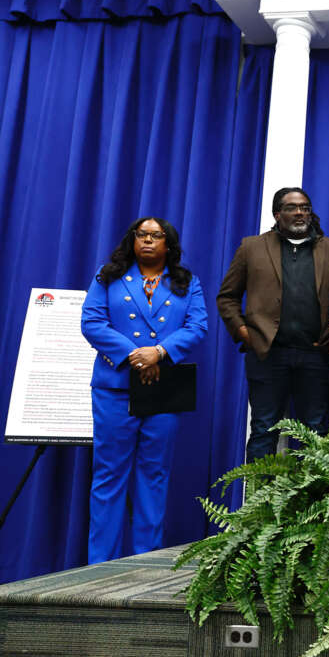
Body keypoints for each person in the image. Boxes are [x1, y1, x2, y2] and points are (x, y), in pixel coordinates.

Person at [81, 217, 208, 564]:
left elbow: (198, 326)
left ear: (169, 244)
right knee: (109, 475)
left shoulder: (186, 282)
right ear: (132, 240)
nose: (148, 241)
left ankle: (144, 565)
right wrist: (134, 355)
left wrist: (160, 352)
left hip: (163, 389)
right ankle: (100, 566)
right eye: (142, 235)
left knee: (154, 476)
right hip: (115, 387)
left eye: (157, 236)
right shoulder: (107, 276)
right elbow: (91, 322)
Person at [217, 187, 329, 461]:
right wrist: (245, 334)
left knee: (315, 432)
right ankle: (258, 502)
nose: (300, 212)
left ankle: (311, 502)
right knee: (264, 429)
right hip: (268, 355)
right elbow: (227, 297)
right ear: (278, 214)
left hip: (317, 356)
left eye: (305, 207)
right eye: (292, 207)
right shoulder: (251, 247)